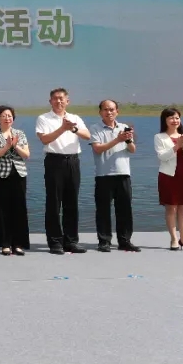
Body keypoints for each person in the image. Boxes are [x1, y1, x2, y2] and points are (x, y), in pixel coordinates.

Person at [35, 87, 91, 254]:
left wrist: (73, 128)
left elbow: (87, 136)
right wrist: (62, 128)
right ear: (50, 101)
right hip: (54, 161)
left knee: (71, 202)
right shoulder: (43, 118)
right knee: (54, 202)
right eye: (55, 98)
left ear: (67, 101)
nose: (59, 101)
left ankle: (71, 241)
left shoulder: (75, 118)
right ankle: (55, 242)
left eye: (62, 98)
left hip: (72, 161)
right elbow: (44, 139)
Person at [90, 100, 139, 252]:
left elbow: (132, 150)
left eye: (112, 109)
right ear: (100, 112)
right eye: (105, 109)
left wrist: (128, 139)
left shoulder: (123, 127)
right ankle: (104, 241)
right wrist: (118, 139)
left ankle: (125, 241)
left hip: (123, 173)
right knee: (103, 210)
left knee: (125, 209)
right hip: (104, 174)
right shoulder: (95, 128)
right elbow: (98, 149)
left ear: (117, 111)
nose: (109, 112)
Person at [0, 105, 30, 256]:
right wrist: (6, 146)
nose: (7, 118)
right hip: (0, 175)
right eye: (3, 116)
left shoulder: (20, 133)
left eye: (9, 116)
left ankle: (18, 244)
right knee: (2, 209)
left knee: (19, 209)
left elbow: (26, 155)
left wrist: (15, 146)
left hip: (19, 174)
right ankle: (5, 243)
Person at [155, 107, 183, 252]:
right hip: (168, 176)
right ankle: (174, 239)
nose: (175, 121)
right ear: (165, 120)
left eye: (177, 118)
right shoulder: (159, 137)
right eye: (171, 118)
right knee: (171, 207)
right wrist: (176, 147)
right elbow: (162, 157)